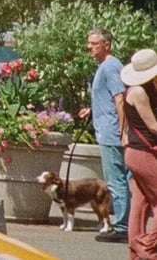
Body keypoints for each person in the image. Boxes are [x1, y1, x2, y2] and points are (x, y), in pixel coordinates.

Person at [79, 28, 130, 243]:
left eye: (94, 43)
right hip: (107, 129)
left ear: (106, 44)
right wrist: (92, 109)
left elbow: (120, 99)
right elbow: (110, 98)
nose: (89, 47)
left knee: (115, 180)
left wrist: (122, 130)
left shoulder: (110, 66)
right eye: (88, 43)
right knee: (120, 179)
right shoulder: (105, 67)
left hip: (111, 132)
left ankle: (121, 227)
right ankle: (125, 224)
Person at [121, 48, 157, 258]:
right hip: (144, 152)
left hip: (136, 152)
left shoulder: (140, 89)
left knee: (140, 203)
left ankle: (135, 251)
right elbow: (153, 126)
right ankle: (148, 249)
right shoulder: (138, 92)